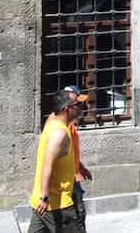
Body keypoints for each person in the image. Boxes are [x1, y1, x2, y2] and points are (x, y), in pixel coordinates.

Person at [29, 91, 86, 232]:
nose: (81, 107)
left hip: (41, 205)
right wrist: (45, 197)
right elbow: (47, 165)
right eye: (77, 105)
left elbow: (61, 158)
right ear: (67, 109)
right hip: (57, 205)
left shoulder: (52, 120)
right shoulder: (60, 134)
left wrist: (79, 165)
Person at [59, 87, 93, 197]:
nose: (82, 108)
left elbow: (71, 150)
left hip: (72, 175)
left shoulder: (71, 126)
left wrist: (80, 167)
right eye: (78, 105)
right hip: (67, 179)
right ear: (68, 107)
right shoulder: (63, 128)